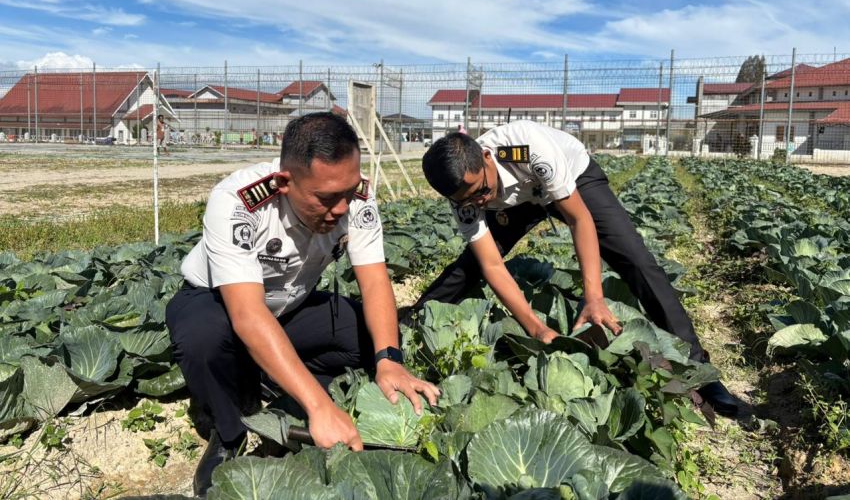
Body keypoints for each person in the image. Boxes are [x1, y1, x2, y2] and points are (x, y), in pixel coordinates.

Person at [166, 112, 440, 497]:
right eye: (327, 199)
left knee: (367, 335)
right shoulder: (239, 202)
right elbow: (247, 313)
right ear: (283, 183)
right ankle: (228, 432)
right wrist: (318, 407)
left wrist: (389, 358)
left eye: (349, 191)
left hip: (292, 307)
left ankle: (268, 377)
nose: (343, 208)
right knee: (203, 338)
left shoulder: (353, 195)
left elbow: (375, 280)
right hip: (221, 304)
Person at [409, 120, 737, 417]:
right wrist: (536, 329)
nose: (478, 202)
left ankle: (698, 367)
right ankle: (410, 322)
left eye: (480, 191)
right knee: (470, 266)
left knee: (636, 259)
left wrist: (594, 297)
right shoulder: (464, 195)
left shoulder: (528, 148)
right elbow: (492, 265)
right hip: (515, 200)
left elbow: (580, 220)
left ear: (486, 156)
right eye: (468, 200)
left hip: (571, 177)